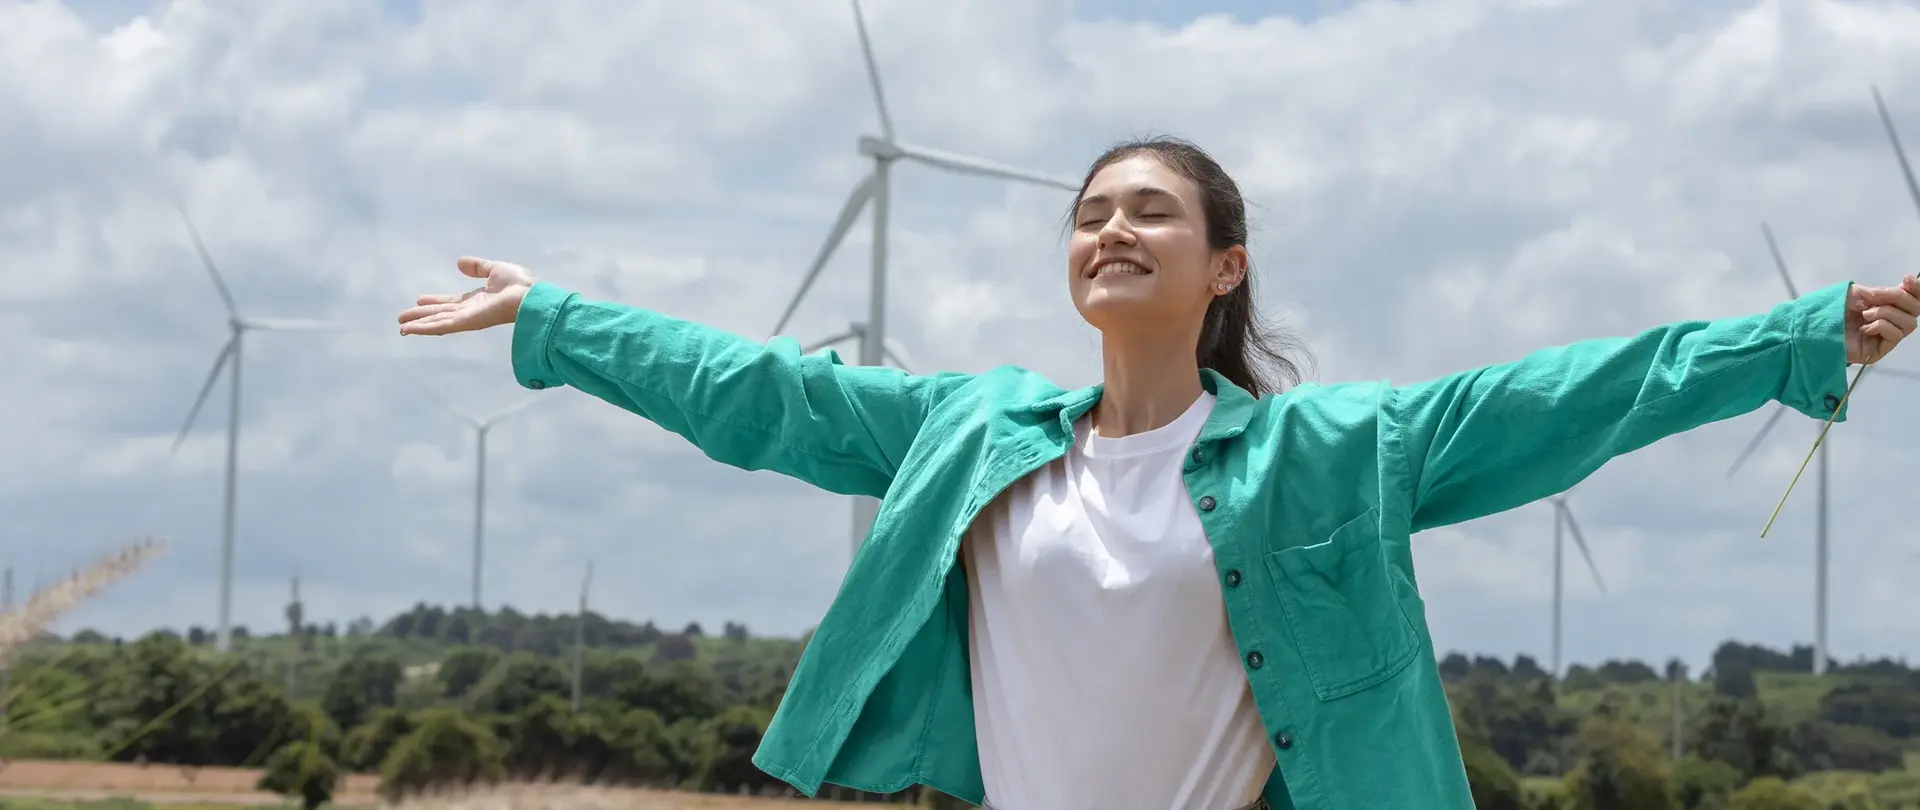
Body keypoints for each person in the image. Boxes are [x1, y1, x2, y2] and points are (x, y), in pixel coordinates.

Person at [397, 137, 1919, 810]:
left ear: (1225, 264)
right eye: (1084, 213)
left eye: (1147, 212)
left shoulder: (1341, 450)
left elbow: (1568, 395)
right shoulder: (968, 435)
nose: (1106, 230)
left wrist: (1795, 337)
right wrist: (558, 317)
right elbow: (763, 392)